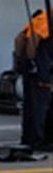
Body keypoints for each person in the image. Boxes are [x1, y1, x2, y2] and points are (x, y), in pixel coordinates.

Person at [14, 9, 52, 148]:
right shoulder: (48, 20)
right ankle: (39, 140)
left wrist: (21, 60)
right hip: (42, 68)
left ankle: (28, 139)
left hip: (34, 70)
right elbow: (35, 37)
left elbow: (19, 38)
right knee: (40, 106)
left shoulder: (41, 17)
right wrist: (32, 60)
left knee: (31, 104)